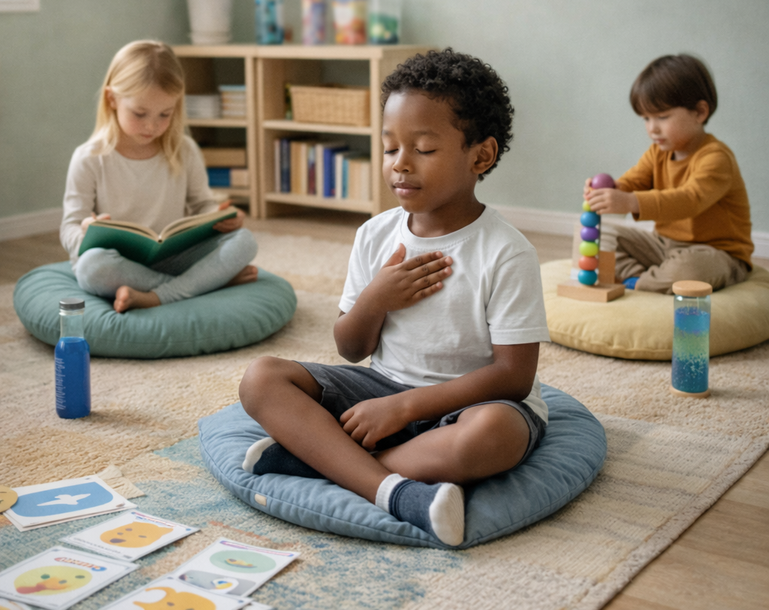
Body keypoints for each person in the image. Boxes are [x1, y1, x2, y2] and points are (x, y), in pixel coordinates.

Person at [238, 48, 550, 546]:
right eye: (389, 149)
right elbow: (350, 347)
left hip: (472, 406)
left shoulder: (506, 252)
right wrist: (376, 298)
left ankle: (323, 462)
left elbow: (514, 377)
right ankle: (398, 492)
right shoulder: (376, 234)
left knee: (494, 435)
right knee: (261, 379)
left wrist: (405, 410)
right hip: (381, 389)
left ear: (481, 156)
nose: (400, 165)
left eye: (423, 149)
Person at [60, 40, 258, 313]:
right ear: (112, 98)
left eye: (165, 114)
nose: (152, 125)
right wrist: (86, 231)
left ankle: (155, 296)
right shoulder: (89, 158)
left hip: (172, 256)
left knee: (244, 240)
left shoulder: (183, 149)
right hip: (118, 262)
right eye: (139, 113)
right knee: (91, 268)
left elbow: (203, 204)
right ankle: (205, 285)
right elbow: (69, 226)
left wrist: (221, 217)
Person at [584, 53, 753, 294]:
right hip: (664, 246)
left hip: (717, 253)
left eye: (662, 117)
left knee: (690, 270)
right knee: (603, 235)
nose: (652, 128)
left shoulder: (716, 158)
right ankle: (642, 277)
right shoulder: (658, 152)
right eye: (646, 118)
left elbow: (689, 200)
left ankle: (641, 284)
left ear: (699, 112)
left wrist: (631, 202)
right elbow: (635, 181)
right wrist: (611, 191)